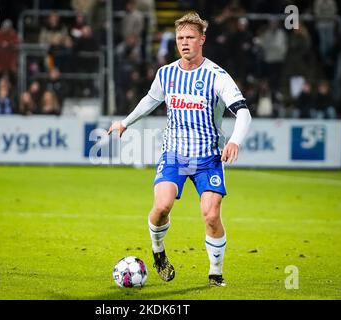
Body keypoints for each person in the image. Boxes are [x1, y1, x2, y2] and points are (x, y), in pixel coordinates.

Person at [108, 12, 252, 287]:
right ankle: (158, 250)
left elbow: (243, 113)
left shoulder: (216, 76)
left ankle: (215, 273)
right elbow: (150, 100)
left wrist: (235, 140)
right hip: (173, 154)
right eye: (180, 38)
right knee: (161, 207)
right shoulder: (167, 73)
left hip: (208, 158)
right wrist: (125, 122)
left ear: (202, 40)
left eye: (190, 38)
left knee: (211, 215)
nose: (184, 43)